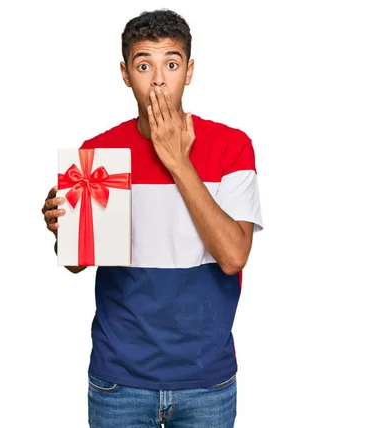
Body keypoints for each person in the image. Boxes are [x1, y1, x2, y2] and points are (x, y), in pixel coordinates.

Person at [41, 9, 263, 428]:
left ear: (190, 71)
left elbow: (234, 256)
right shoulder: (100, 151)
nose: (158, 80)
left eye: (172, 64)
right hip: (119, 381)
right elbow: (75, 262)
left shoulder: (232, 146)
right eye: (144, 65)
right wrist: (61, 229)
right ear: (126, 74)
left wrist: (178, 162)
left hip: (206, 381)